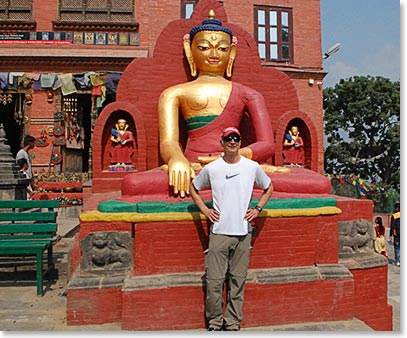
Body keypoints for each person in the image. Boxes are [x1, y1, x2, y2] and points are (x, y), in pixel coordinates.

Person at [121, 10, 331, 198]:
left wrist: (234, 155)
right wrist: (176, 160)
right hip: (194, 166)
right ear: (189, 50)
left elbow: (266, 144)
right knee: (133, 184)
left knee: (318, 184)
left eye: (221, 48)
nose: (213, 55)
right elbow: (168, 143)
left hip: (237, 163)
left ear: (231, 52)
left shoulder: (248, 94)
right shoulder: (174, 93)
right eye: (204, 47)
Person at [189, 126, 273, 331]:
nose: (232, 142)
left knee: (238, 280)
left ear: (240, 141)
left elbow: (268, 187)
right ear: (222, 142)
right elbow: (193, 187)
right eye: (228, 139)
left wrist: (258, 209)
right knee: (215, 282)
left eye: (236, 138)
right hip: (219, 231)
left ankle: (233, 321)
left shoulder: (252, 167)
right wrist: (205, 211)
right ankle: (215, 321)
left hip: (243, 232)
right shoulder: (212, 168)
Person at [390, 202, 400, 266]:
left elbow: (392, 226)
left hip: (397, 234)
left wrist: (391, 235)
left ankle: (397, 261)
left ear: (397, 208)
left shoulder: (394, 215)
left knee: (397, 248)